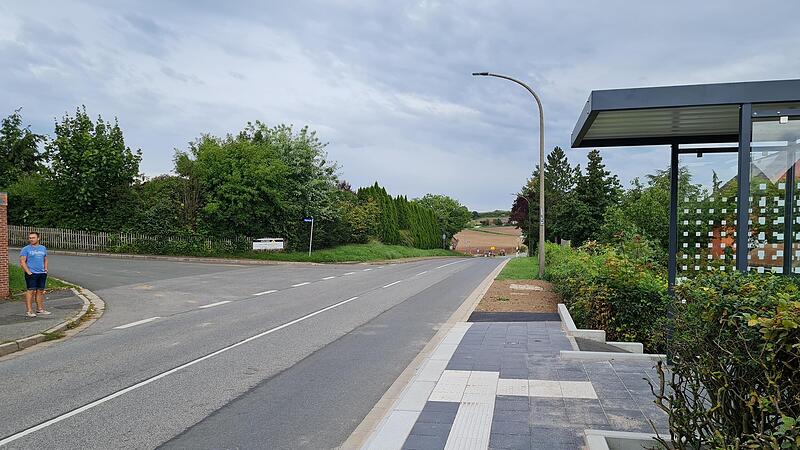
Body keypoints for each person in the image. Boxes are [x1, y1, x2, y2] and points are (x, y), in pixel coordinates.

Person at [19, 231, 50, 318]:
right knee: (30, 291)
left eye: (33, 238)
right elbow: (22, 261)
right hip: (31, 273)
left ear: (38, 238)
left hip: (41, 273)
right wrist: (28, 272)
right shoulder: (26, 249)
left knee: (40, 291)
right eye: (30, 238)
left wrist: (45, 269)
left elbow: (45, 259)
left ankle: (39, 309)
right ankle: (29, 311)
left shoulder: (43, 248)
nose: (31, 239)